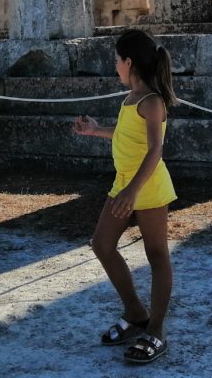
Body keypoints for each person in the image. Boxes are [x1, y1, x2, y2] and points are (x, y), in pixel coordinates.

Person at [73, 29, 177, 365]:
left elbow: (155, 150)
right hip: (123, 185)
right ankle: (136, 313)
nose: (114, 66)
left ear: (129, 62)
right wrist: (95, 130)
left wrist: (133, 191)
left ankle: (157, 331)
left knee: (157, 255)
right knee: (101, 244)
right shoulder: (130, 99)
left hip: (147, 187)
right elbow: (125, 135)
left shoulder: (153, 101)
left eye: (116, 60)